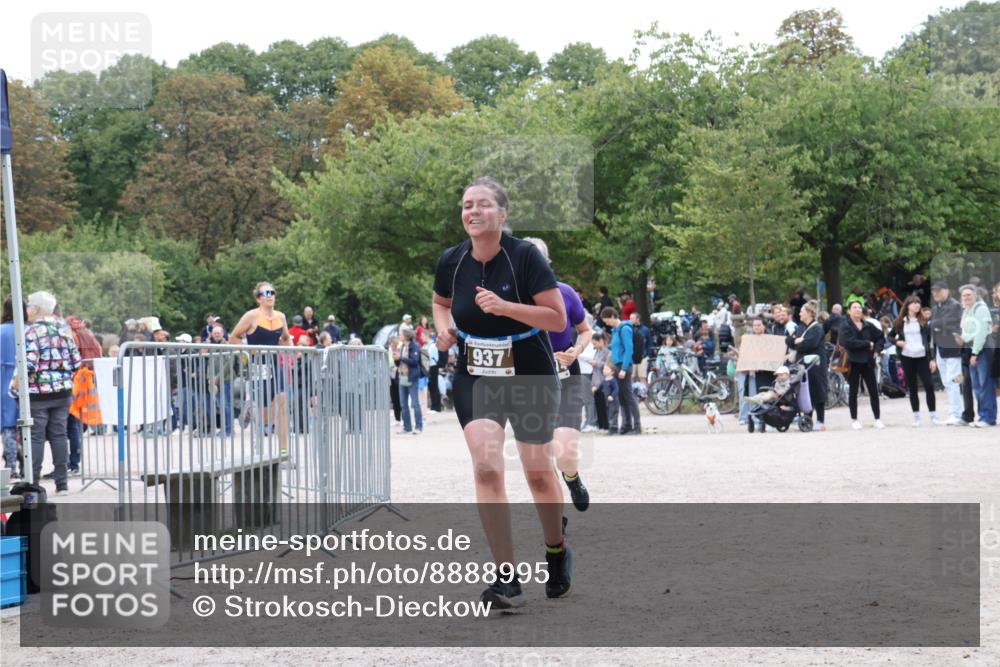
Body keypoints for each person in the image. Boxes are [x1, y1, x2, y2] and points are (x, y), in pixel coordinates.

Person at [432, 177, 570, 609]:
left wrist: (506, 307)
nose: (472, 212)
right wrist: (443, 330)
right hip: (477, 373)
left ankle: (556, 549)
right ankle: (507, 578)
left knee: (538, 472)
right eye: (466, 205)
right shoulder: (452, 260)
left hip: (529, 368)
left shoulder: (525, 256)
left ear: (503, 213)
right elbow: (440, 303)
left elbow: (557, 319)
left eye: (483, 204)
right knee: (487, 467)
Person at [524, 236, 593, 513]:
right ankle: (556, 518)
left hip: (565, 374)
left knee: (565, 451)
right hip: (531, 380)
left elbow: (585, 330)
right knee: (541, 458)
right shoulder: (511, 301)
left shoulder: (565, 292)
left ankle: (572, 478)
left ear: (546, 264)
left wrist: (577, 350)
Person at [21, 291, 82, 494]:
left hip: (38, 393)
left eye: (29, 305)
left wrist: (18, 382)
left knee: (36, 437)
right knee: (59, 435)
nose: (27, 309)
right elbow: (76, 362)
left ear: (37, 309)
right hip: (63, 392)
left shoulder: (31, 331)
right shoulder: (64, 329)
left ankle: (33, 483)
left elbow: (29, 364)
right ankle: (62, 484)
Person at [229, 281, 292, 449]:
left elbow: (286, 338)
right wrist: (249, 351)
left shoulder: (281, 316)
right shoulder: (251, 316)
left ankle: (283, 450)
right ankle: (250, 409)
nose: (270, 296)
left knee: (282, 402)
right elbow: (233, 337)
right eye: (266, 293)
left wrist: (290, 354)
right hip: (259, 365)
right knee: (266, 415)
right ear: (258, 299)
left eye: (272, 292)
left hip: (275, 364)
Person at [891, 295, 940, 426]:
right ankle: (917, 417)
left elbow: (930, 342)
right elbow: (889, 337)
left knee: (929, 385)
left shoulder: (924, 321)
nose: (917, 305)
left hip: (922, 357)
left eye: (918, 302)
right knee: (912, 387)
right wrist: (898, 342)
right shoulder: (900, 321)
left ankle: (933, 415)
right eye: (914, 303)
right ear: (908, 306)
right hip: (907, 357)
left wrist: (932, 359)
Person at [839, 300, 885, 430]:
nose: (858, 309)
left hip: (868, 362)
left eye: (859, 307)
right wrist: (867, 344)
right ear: (849, 311)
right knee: (853, 392)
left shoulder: (868, 325)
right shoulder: (845, 326)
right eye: (854, 307)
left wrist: (877, 349)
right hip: (852, 362)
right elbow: (848, 342)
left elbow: (881, 337)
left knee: (873, 391)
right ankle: (854, 419)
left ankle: (877, 419)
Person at [600, 306, 643, 435]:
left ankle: (637, 426)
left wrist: (624, 368)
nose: (607, 324)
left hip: (624, 366)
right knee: (622, 398)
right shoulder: (615, 330)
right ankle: (627, 425)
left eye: (607, 320)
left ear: (613, 316)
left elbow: (629, 349)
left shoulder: (624, 329)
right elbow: (616, 348)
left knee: (629, 396)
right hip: (617, 366)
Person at [958, 284, 996, 427]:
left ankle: (988, 418)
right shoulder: (966, 310)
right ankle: (983, 416)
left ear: (975, 295)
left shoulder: (981, 309)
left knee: (985, 384)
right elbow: (966, 331)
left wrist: (974, 353)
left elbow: (981, 333)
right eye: (964, 295)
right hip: (971, 349)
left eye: (969, 294)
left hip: (982, 349)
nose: (966, 297)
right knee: (977, 385)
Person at [787, 300, 829, 430]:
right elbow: (788, 340)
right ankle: (807, 419)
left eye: (802, 311)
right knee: (805, 392)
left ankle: (820, 421)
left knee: (818, 391)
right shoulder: (800, 327)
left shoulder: (817, 328)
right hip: (802, 365)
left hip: (816, 365)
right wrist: (796, 340)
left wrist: (797, 343)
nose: (799, 313)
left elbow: (809, 344)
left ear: (809, 313)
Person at [1, 297, 25, 479]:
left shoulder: (1, 331)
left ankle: (11, 468)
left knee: (9, 427)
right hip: (26, 380)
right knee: (27, 426)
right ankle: (28, 466)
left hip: (5, 380)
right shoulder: (29, 330)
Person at [392, 328, 423, 435]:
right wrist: (396, 359)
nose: (399, 336)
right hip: (402, 378)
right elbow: (398, 363)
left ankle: (418, 427)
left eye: (400, 334)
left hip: (412, 378)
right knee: (403, 404)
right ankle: (407, 427)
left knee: (415, 404)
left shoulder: (415, 346)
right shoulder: (401, 346)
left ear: (406, 336)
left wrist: (401, 357)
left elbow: (414, 362)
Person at [601, 362, 619, 433]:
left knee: (613, 413)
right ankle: (609, 426)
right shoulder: (604, 380)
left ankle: (614, 428)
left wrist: (612, 396)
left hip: (613, 401)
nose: (604, 370)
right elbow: (600, 388)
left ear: (612, 372)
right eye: (604, 369)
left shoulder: (613, 380)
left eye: (607, 369)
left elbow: (616, 389)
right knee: (607, 413)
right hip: (606, 400)